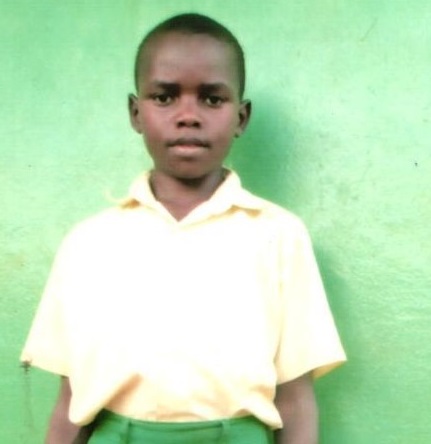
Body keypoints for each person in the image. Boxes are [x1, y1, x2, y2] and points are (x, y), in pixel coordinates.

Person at [21, 12, 346, 444]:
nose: (188, 115)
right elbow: (71, 402)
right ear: (136, 112)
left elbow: (296, 400)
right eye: (164, 97)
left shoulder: (280, 236)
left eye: (212, 99)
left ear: (241, 117)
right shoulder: (89, 243)